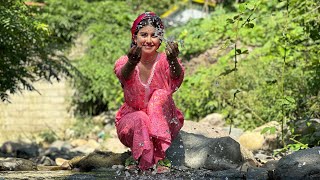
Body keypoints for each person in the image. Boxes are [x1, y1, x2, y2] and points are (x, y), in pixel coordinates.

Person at [113, 12, 184, 172]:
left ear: (160, 39)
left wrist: (173, 59)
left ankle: (160, 156)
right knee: (140, 117)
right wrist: (132, 63)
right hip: (132, 122)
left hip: (164, 119)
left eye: (154, 35)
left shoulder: (166, 61)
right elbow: (123, 74)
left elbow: (177, 76)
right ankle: (139, 154)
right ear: (135, 37)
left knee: (159, 96)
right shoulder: (124, 61)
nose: (149, 40)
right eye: (143, 35)